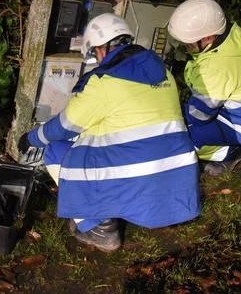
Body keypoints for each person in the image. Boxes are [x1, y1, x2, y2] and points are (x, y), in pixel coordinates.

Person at [19, 13, 201, 253]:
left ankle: (101, 228)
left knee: (56, 150)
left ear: (101, 49)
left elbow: (63, 126)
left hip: (140, 179)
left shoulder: (103, 82)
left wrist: (31, 138)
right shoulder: (162, 71)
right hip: (179, 187)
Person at [167, 0, 241, 176]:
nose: (187, 47)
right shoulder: (232, 35)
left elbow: (200, 115)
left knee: (182, 137)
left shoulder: (217, 69)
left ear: (207, 37)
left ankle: (231, 153)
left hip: (240, 125)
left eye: (189, 43)